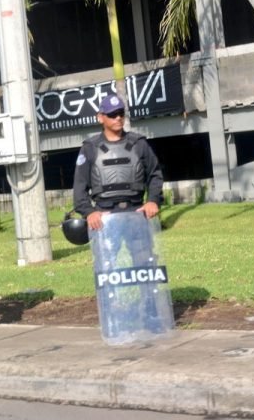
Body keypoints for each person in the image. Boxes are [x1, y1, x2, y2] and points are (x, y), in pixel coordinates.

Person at [72, 94, 165, 336]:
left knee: (146, 266)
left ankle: (151, 314)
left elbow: (155, 174)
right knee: (107, 270)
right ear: (100, 117)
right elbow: (79, 188)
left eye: (121, 112)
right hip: (105, 220)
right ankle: (112, 319)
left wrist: (153, 200)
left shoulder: (139, 144)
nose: (118, 117)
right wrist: (89, 212)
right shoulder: (90, 149)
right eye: (112, 114)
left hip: (136, 216)